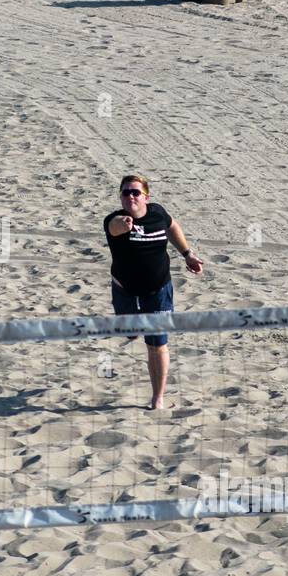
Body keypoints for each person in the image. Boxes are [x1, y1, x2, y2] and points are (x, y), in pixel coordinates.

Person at [103, 174, 204, 410]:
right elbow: (114, 228)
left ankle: (157, 398)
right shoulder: (114, 220)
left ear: (146, 197)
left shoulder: (157, 213)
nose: (130, 197)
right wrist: (124, 224)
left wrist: (187, 254)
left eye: (135, 192)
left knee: (157, 343)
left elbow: (172, 226)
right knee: (130, 333)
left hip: (158, 289)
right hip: (125, 290)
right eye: (125, 192)